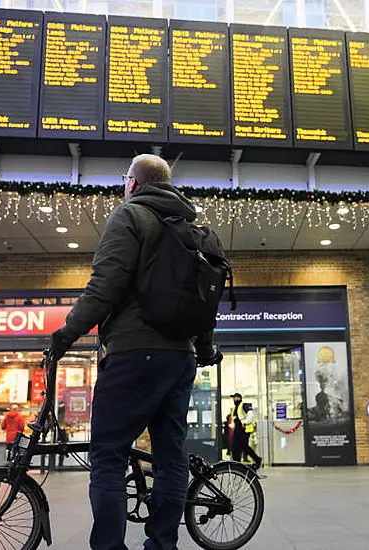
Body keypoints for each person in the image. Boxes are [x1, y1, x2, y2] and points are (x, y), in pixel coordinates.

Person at [49, 153, 222, 550]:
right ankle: (162, 544)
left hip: (132, 354)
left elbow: (104, 287)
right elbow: (204, 305)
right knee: (171, 454)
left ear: (133, 184)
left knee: (108, 454)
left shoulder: (130, 216)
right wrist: (204, 350)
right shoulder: (192, 228)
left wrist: (66, 334)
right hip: (180, 360)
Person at [230, 393, 262, 469]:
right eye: (234, 398)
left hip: (244, 429)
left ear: (240, 398)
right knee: (235, 446)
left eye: (236, 397)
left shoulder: (244, 405)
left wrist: (245, 423)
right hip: (237, 429)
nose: (235, 399)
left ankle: (257, 459)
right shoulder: (235, 408)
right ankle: (236, 463)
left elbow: (250, 414)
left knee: (244, 446)